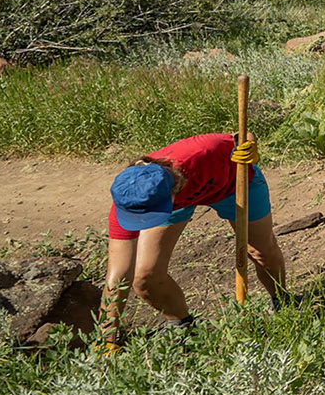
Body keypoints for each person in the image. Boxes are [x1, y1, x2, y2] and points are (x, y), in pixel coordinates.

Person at [100, 133, 288, 339]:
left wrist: (250, 148)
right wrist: (106, 336)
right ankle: (184, 326)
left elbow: (244, 136)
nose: (143, 223)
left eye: (148, 218)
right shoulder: (131, 199)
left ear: (173, 192)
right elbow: (118, 275)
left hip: (233, 183)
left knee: (261, 251)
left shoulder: (202, 151)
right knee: (145, 277)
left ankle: (283, 303)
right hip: (173, 203)